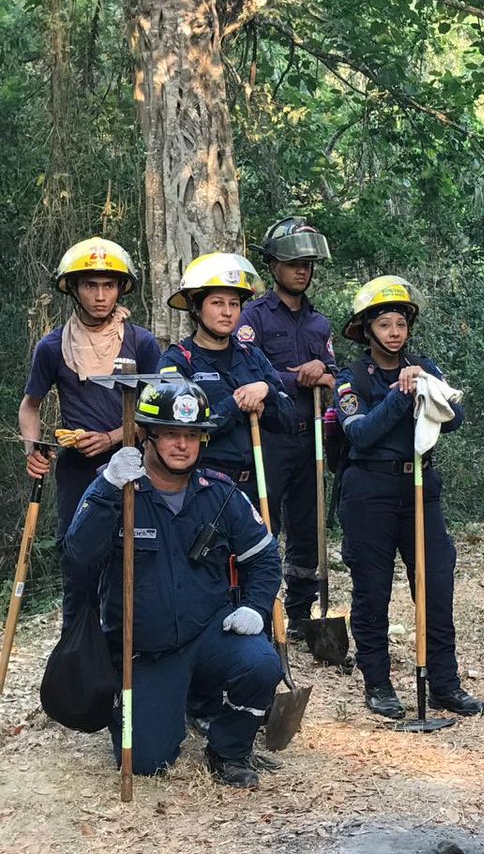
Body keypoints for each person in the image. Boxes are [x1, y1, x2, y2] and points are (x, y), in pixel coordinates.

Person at [62, 379, 283, 788]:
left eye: (192, 435)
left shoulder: (220, 492)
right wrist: (109, 488)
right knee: (147, 762)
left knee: (261, 663)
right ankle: (146, 706)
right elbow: (78, 556)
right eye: (170, 434)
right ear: (147, 435)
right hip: (144, 649)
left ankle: (228, 747)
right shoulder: (116, 488)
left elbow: (265, 558)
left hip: (209, 632)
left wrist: (254, 606)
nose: (182, 445)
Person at [334, 276, 484, 719]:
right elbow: (359, 432)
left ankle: (444, 685)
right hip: (368, 492)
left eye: (401, 323)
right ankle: (378, 685)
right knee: (372, 592)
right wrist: (400, 397)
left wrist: (425, 387)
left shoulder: (425, 367)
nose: (394, 332)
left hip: (420, 487)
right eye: (384, 324)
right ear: (367, 330)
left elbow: (453, 418)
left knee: (436, 586)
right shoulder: (351, 378)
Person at [19, 237, 161, 620]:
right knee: (78, 562)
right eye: (90, 285)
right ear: (74, 289)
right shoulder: (52, 347)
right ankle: (79, 654)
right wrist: (33, 450)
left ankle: (133, 659)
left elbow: (157, 413)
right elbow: (30, 406)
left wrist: (114, 437)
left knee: (138, 557)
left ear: (121, 289)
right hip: (78, 471)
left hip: (135, 466)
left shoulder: (142, 343)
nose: (100, 295)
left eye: (109, 285)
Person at [237, 218, 336, 638]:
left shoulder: (320, 324)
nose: (302, 271)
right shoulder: (252, 317)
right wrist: (297, 377)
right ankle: (259, 610)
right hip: (268, 438)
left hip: (310, 436)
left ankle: (299, 613)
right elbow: (242, 370)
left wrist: (325, 373)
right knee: (262, 525)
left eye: (308, 264)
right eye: (294, 262)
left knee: (308, 528)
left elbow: (333, 375)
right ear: (273, 265)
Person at [158, 252, 294, 500]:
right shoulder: (178, 361)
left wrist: (266, 391)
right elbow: (182, 428)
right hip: (201, 487)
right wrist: (236, 403)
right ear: (195, 307)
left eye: (234, 304)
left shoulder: (253, 356)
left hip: (256, 485)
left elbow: (288, 418)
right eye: (217, 303)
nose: (227, 312)